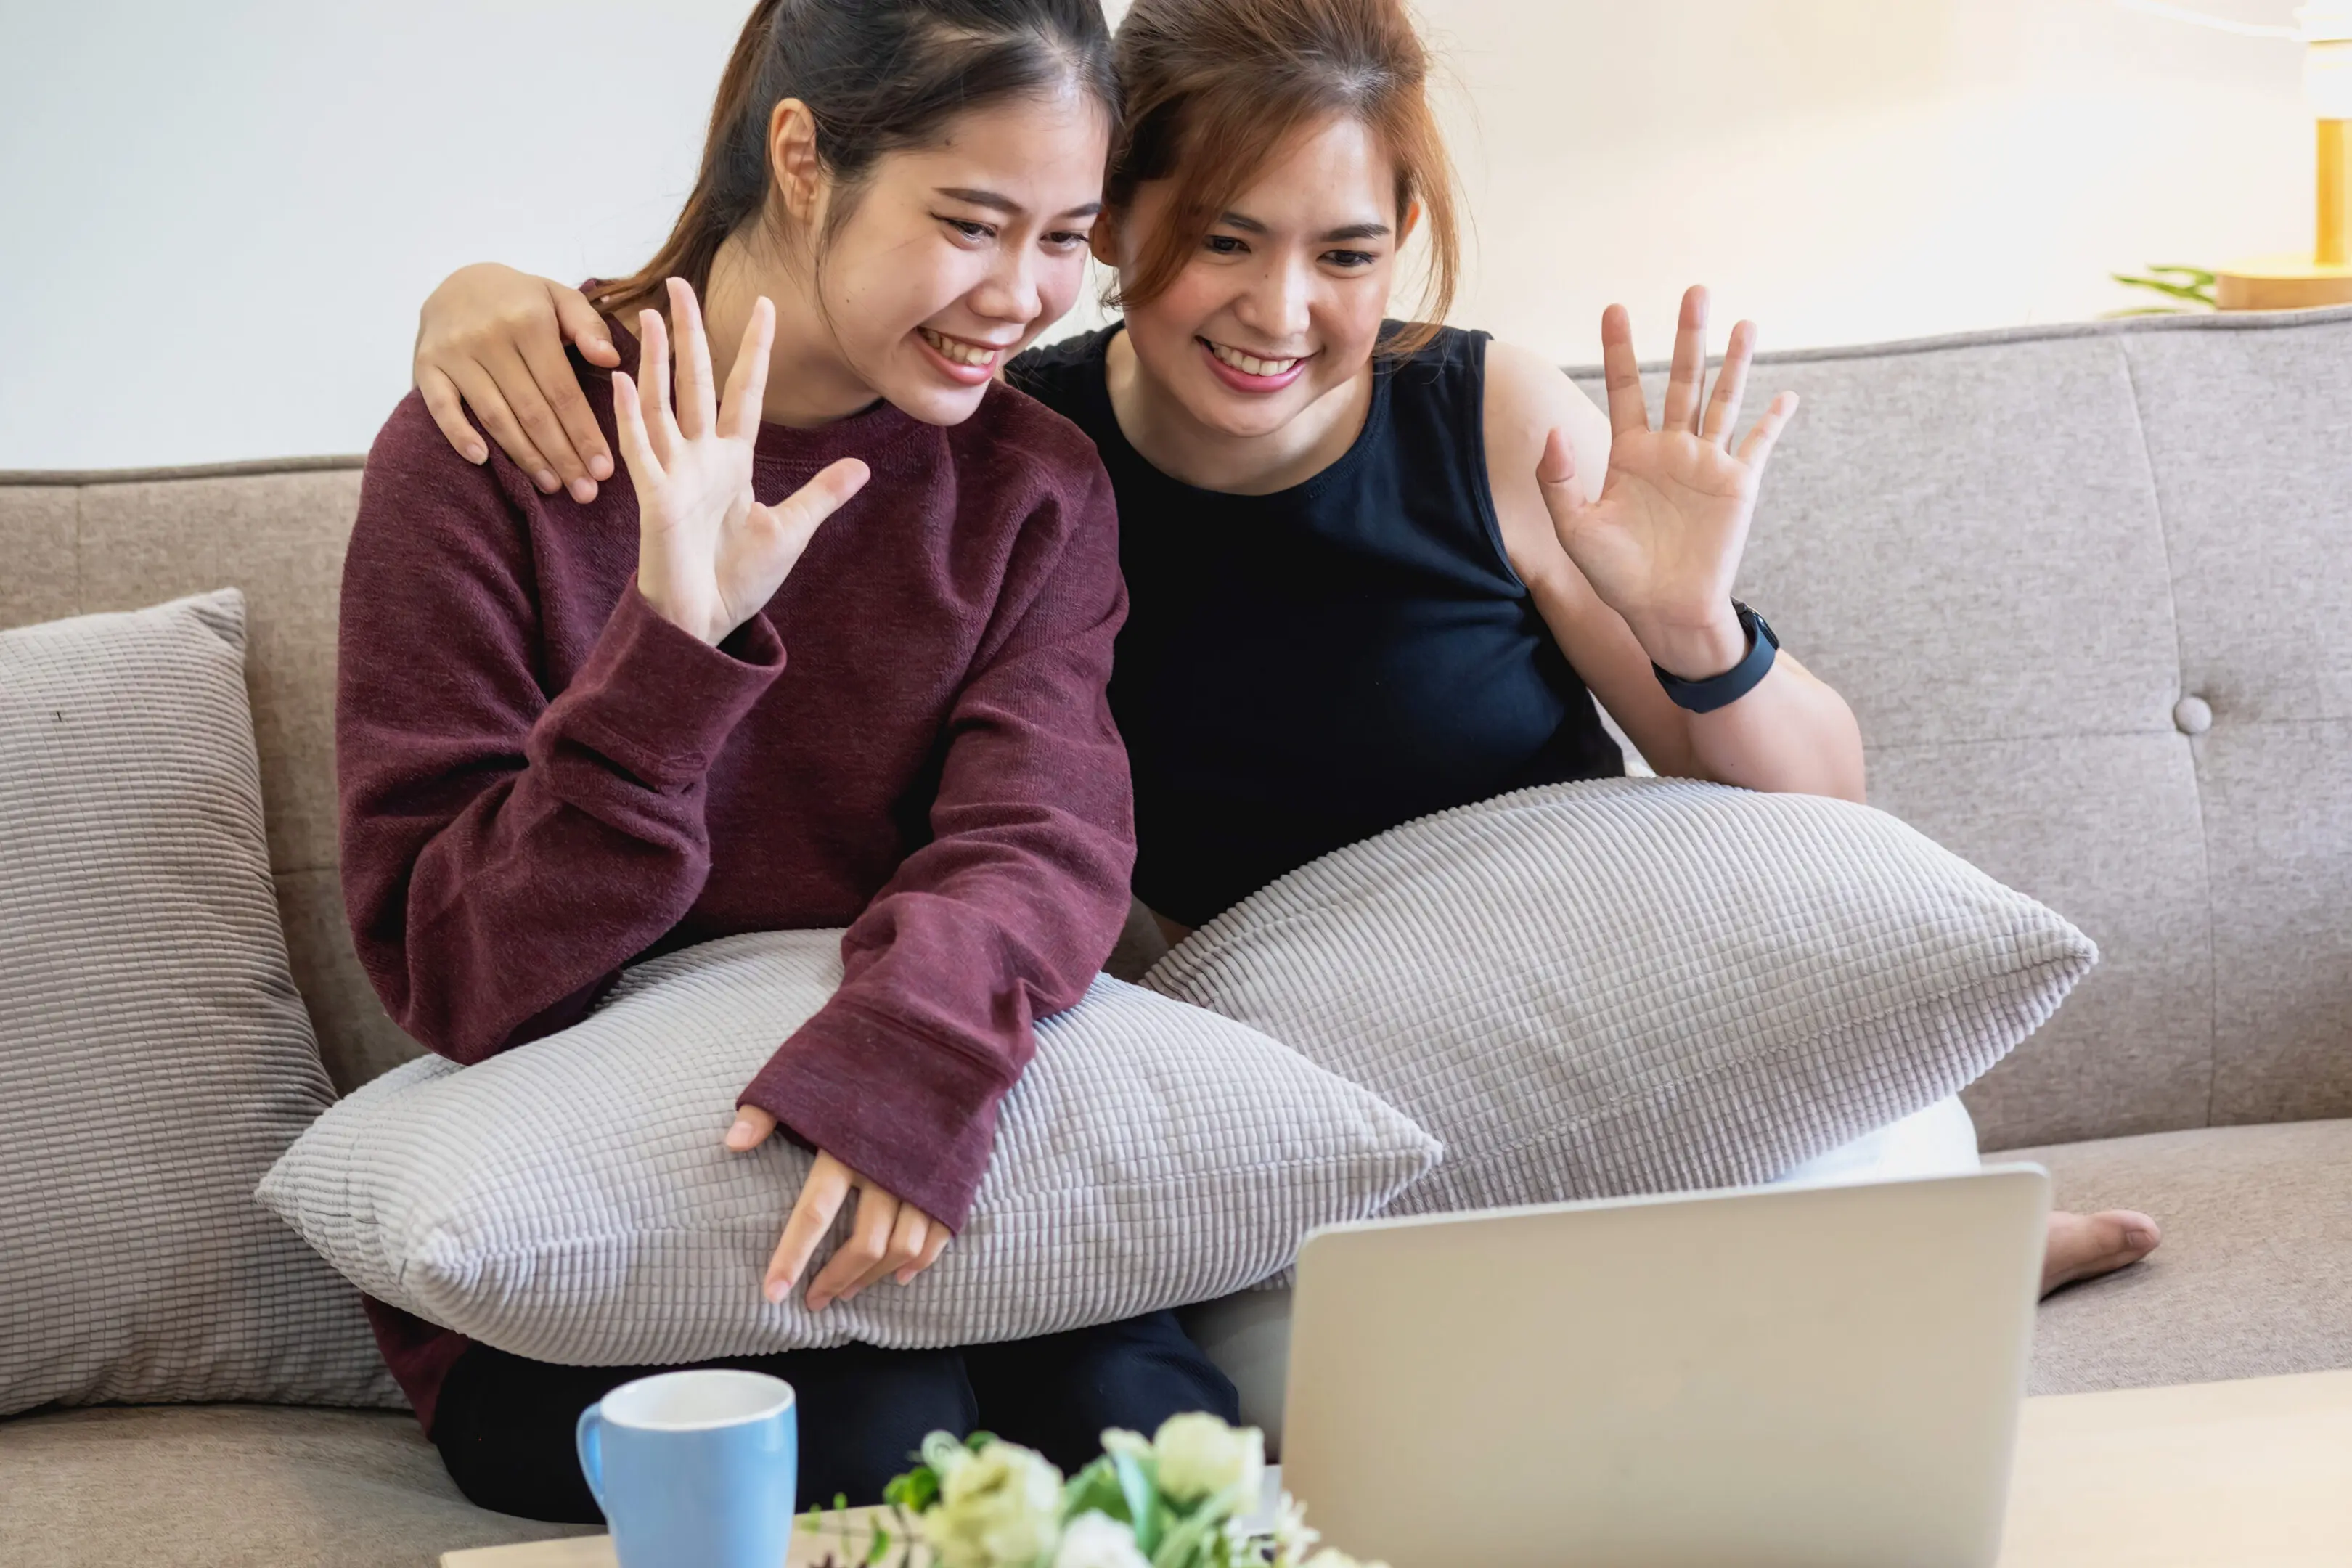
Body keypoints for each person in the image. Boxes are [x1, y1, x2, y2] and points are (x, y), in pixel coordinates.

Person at [404, 0, 2160, 1297]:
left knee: (1849, 1177)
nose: (1282, 311)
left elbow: (1818, 818)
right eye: (1218, 241)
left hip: (1597, 1016)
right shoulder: (1019, 453)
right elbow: (1010, 805)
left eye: (1346, 252)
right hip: (1288, 1077)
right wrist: (474, 295)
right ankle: (1878, 1286)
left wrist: (1693, 623)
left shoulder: (1474, 418)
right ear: (1129, 233)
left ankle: (1892, 1270)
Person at [337, 0, 1237, 1524]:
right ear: (805, 156)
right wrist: (672, 652)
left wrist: (908, 1066)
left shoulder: (1030, 485)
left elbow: (1043, 837)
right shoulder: (504, 447)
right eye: (972, 222)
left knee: (1150, 1437)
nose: (1024, 295)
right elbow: (458, 974)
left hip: (924, 1166)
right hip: (582, 1243)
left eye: (1066, 237)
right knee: (883, 1433)